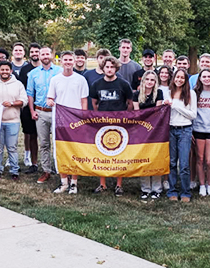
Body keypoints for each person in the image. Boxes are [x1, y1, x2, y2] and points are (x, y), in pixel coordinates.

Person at [90, 56, 134, 195]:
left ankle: (119, 184)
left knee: (119, 152)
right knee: (102, 151)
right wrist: (99, 116)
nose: (109, 69)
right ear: (103, 69)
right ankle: (102, 184)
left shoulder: (124, 84)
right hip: (102, 123)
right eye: (107, 67)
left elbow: (130, 102)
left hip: (119, 123)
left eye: (112, 67)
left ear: (116, 68)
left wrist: (123, 117)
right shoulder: (96, 84)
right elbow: (94, 103)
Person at [47, 51, 89, 193]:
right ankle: (63, 182)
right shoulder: (55, 79)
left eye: (70, 60)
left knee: (74, 150)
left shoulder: (80, 80)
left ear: (74, 61)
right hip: (60, 120)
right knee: (61, 150)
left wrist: (83, 119)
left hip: (76, 121)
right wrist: (51, 101)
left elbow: (84, 100)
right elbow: (50, 98)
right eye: (65, 60)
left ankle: (74, 183)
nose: (68, 62)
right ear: (61, 61)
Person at [0, 61, 28, 181]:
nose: (4, 72)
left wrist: (12, 103)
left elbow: (24, 100)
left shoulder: (18, 84)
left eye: (7, 70)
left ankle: (14, 170)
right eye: (2, 70)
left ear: (11, 71)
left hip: (13, 120)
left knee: (12, 147)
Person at [27, 46, 63, 185]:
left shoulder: (59, 72)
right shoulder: (33, 73)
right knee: (44, 143)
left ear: (51, 55)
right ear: (39, 56)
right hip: (41, 112)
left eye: (47, 53)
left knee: (59, 142)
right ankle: (46, 170)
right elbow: (30, 93)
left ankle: (60, 168)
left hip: (57, 112)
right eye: (42, 54)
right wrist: (32, 111)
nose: (45, 56)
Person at [163, 69, 197, 202]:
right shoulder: (167, 93)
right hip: (170, 130)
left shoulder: (191, 94)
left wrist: (176, 106)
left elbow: (193, 115)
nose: (179, 80)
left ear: (186, 80)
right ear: (174, 78)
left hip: (185, 130)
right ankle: (172, 190)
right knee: (171, 162)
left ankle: (185, 192)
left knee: (183, 164)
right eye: (177, 77)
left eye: (182, 78)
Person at [133, 71, 164, 199]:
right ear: (143, 81)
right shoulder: (136, 95)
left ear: (155, 82)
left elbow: (157, 112)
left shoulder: (159, 93)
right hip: (141, 130)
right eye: (148, 79)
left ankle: (157, 188)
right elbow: (136, 113)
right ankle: (145, 189)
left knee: (155, 158)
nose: (150, 82)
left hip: (156, 129)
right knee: (144, 158)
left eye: (152, 80)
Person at [192, 69, 210, 197]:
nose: (207, 78)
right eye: (204, 76)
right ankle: (202, 185)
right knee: (200, 159)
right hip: (198, 129)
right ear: (200, 78)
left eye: (209, 76)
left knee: (209, 161)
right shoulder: (194, 93)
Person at [18, 43, 41, 172]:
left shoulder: (50, 70)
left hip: (44, 105)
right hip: (28, 106)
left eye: (37, 52)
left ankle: (50, 164)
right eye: (32, 52)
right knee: (31, 135)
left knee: (45, 138)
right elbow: (22, 88)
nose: (35, 54)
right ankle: (34, 163)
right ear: (29, 54)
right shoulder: (25, 69)